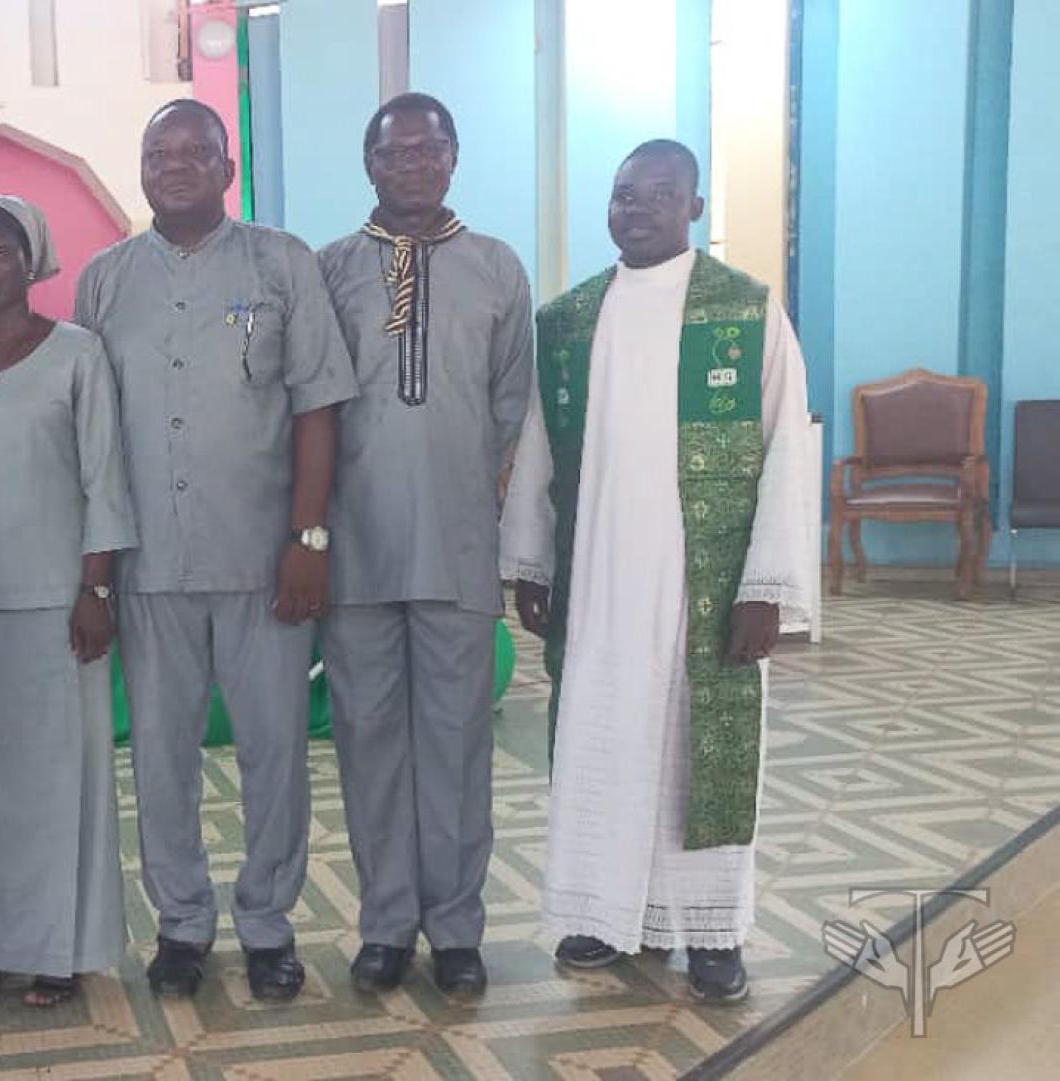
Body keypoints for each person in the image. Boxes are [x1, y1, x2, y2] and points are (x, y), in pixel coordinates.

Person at [499, 140, 812, 1003]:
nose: (635, 209)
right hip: (598, 580)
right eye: (622, 194)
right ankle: (605, 915)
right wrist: (531, 561)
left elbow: (788, 449)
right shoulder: (569, 320)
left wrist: (765, 587)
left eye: (658, 194)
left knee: (695, 763)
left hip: (701, 587)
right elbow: (537, 446)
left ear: (694, 207)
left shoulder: (745, 311)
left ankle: (712, 931)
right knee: (602, 743)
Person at [76, 100, 357, 1003]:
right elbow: (93, 435)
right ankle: (183, 922)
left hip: (263, 560)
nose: (176, 164)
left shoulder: (281, 264)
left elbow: (317, 403)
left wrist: (308, 537)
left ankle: (268, 922)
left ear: (228, 170)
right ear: (141, 169)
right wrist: (99, 575)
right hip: (150, 565)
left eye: (196, 151)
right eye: (159, 152)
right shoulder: (105, 281)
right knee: (162, 757)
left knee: (275, 750)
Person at [317, 93, 534, 1001]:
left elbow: (513, 409)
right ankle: (384, 924)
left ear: (454, 157)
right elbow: (311, 406)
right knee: (368, 742)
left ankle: (455, 929)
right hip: (355, 550)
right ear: (368, 165)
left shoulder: (497, 268)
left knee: (456, 742)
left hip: (456, 543)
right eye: (393, 151)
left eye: (427, 148)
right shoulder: (329, 270)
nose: (411, 163)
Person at [0, 195, 137, 1011]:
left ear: (31, 258)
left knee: (61, 785)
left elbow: (104, 477)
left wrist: (95, 588)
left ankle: (61, 950)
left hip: (60, 607)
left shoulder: (77, 354)